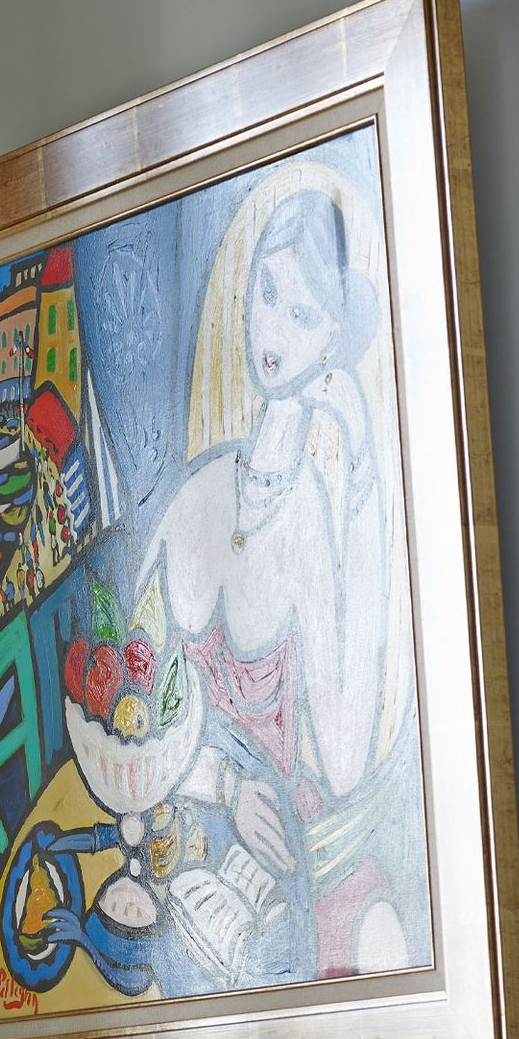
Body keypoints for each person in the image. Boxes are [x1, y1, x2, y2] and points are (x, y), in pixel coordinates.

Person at [134, 181, 426, 982]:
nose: (273, 329)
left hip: (311, 864)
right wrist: (224, 784)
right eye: (267, 293)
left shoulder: (314, 523)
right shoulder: (195, 496)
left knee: (385, 957)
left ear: (332, 344)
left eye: (303, 317)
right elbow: (121, 718)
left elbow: (338, 762)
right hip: (186, 850)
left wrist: (360, 444)